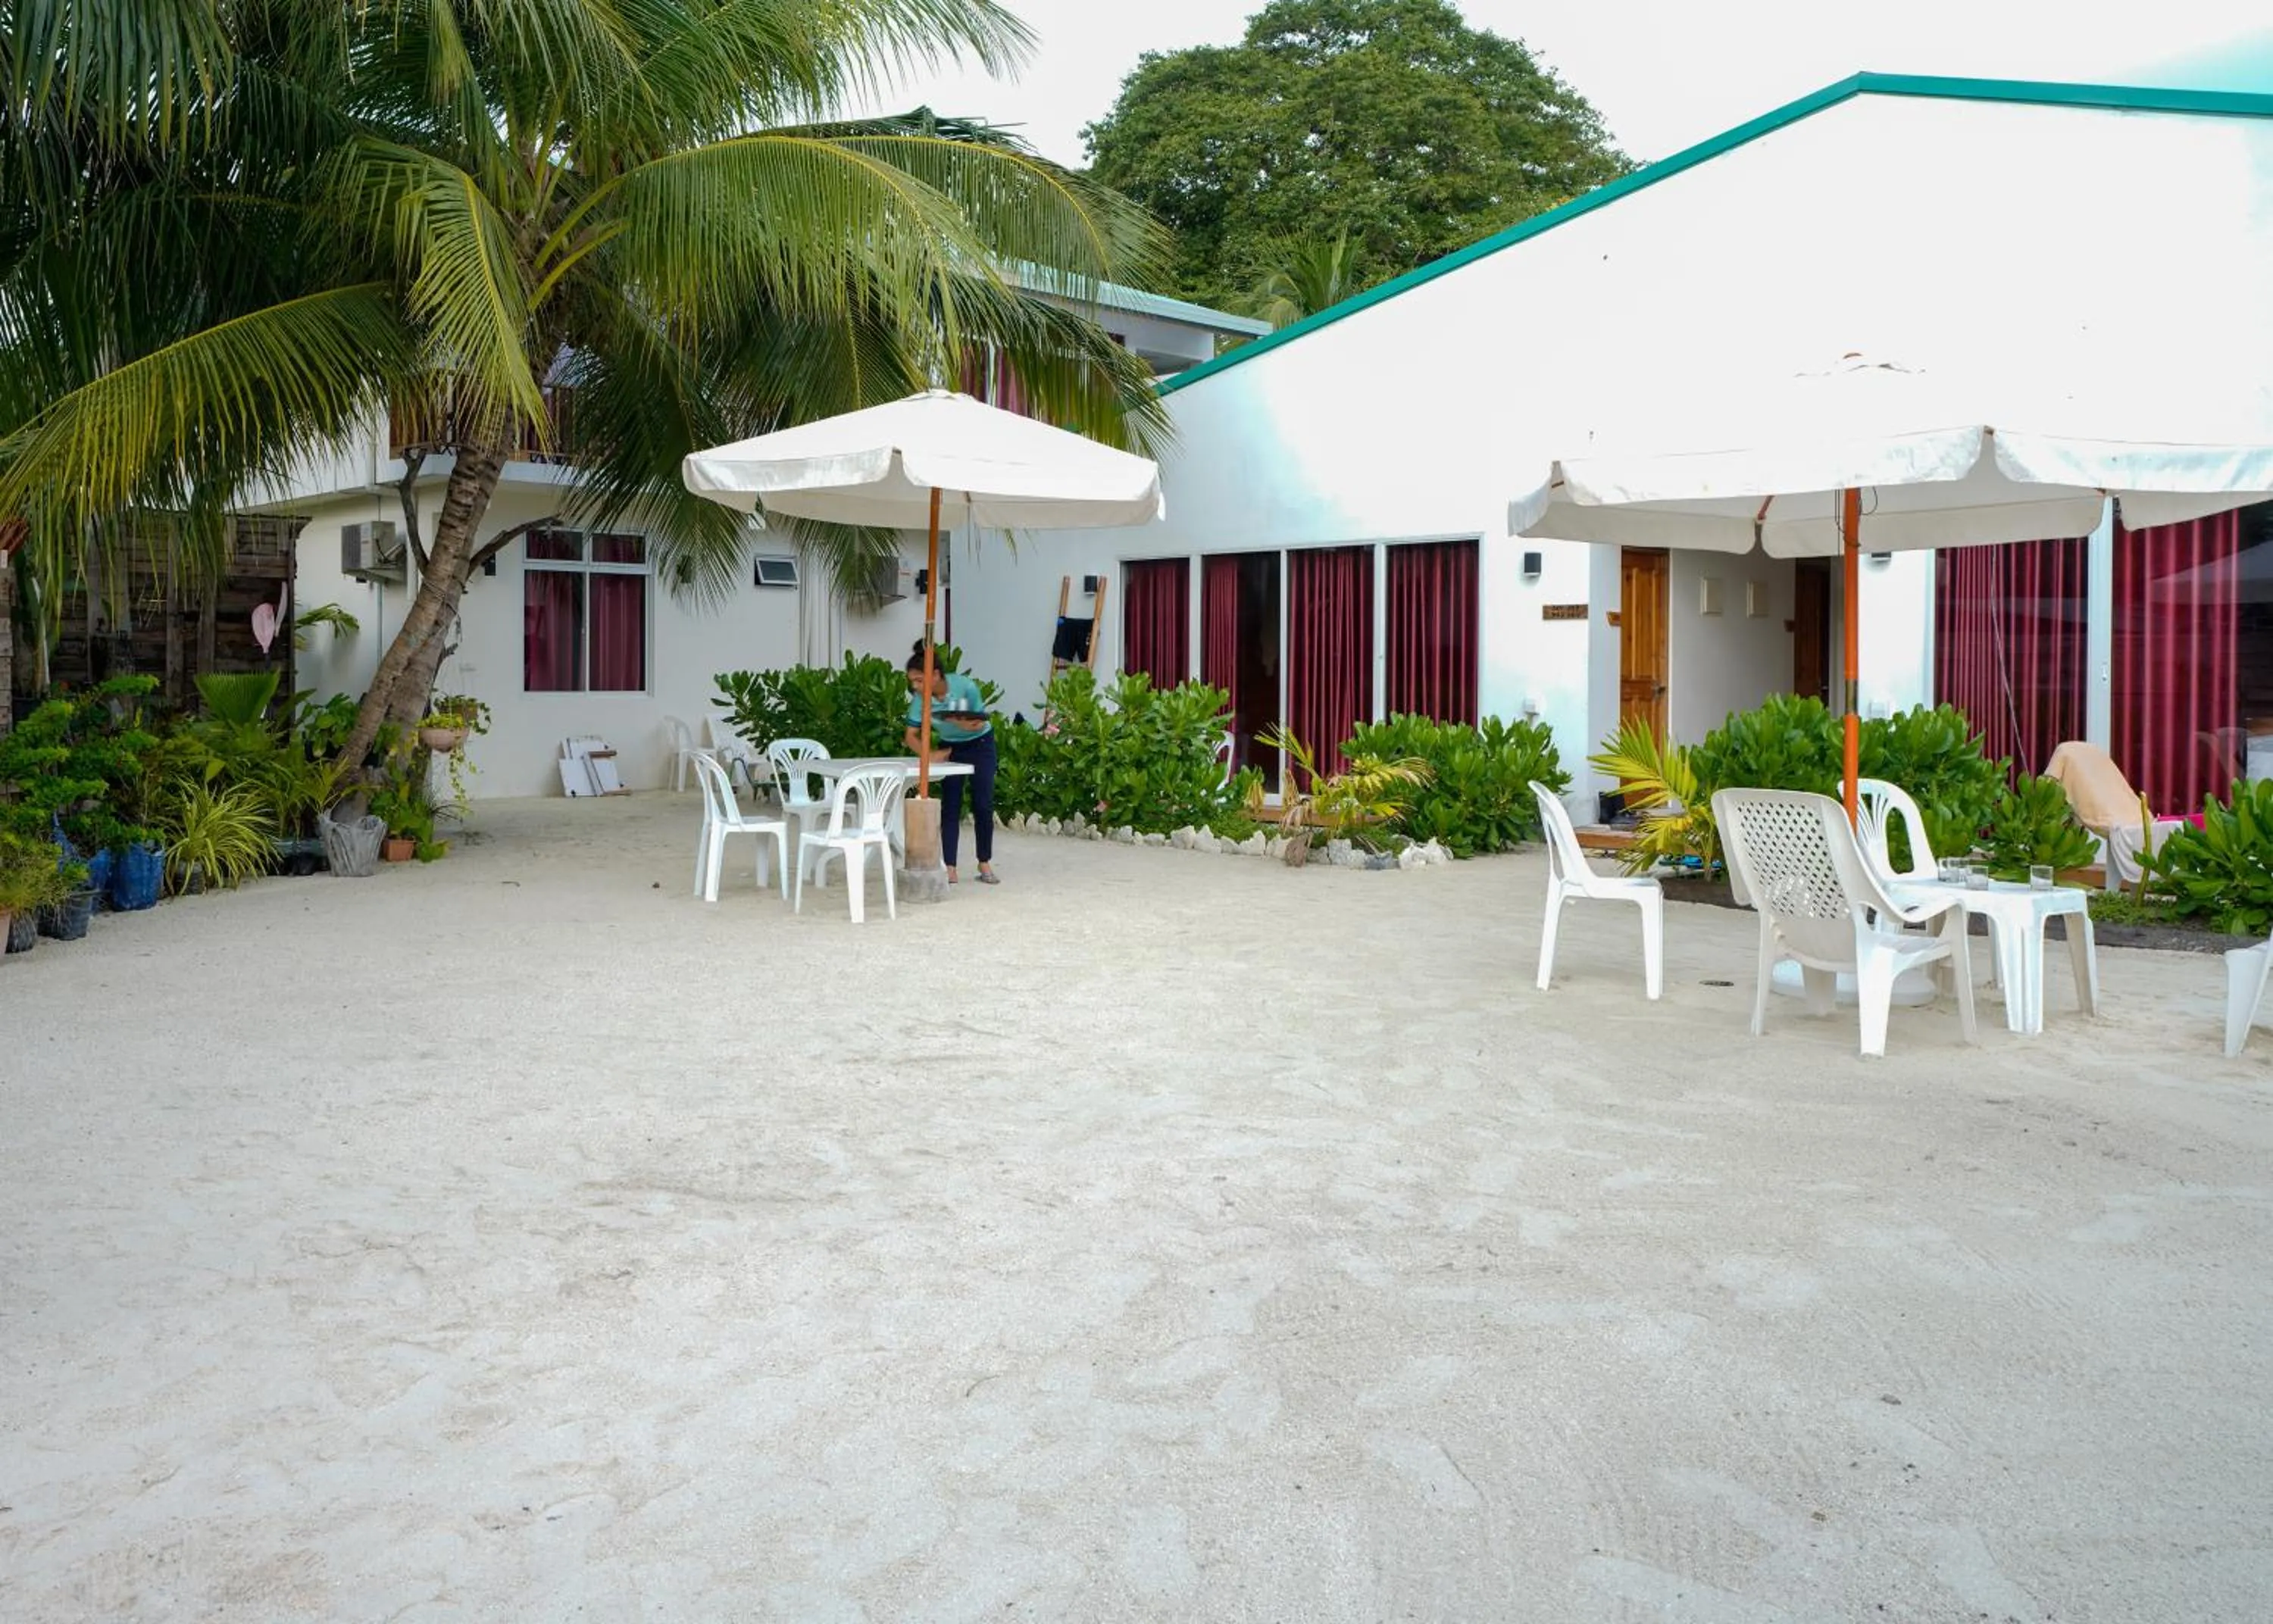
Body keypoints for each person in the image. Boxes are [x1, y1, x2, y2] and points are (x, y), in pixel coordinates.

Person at [903, 643, 998, 884]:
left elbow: (978, 722)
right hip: (951, 747)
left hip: (981, 744)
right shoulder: (920, 700)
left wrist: (962, 724)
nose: (915, 687)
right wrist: (930, 755)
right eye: (912, 682)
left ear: (935, 675)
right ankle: (950, 867)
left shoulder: (965, 687)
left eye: (919, 681)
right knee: (951, 806)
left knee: (983, 804)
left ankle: (984, 861)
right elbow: (910, 736)